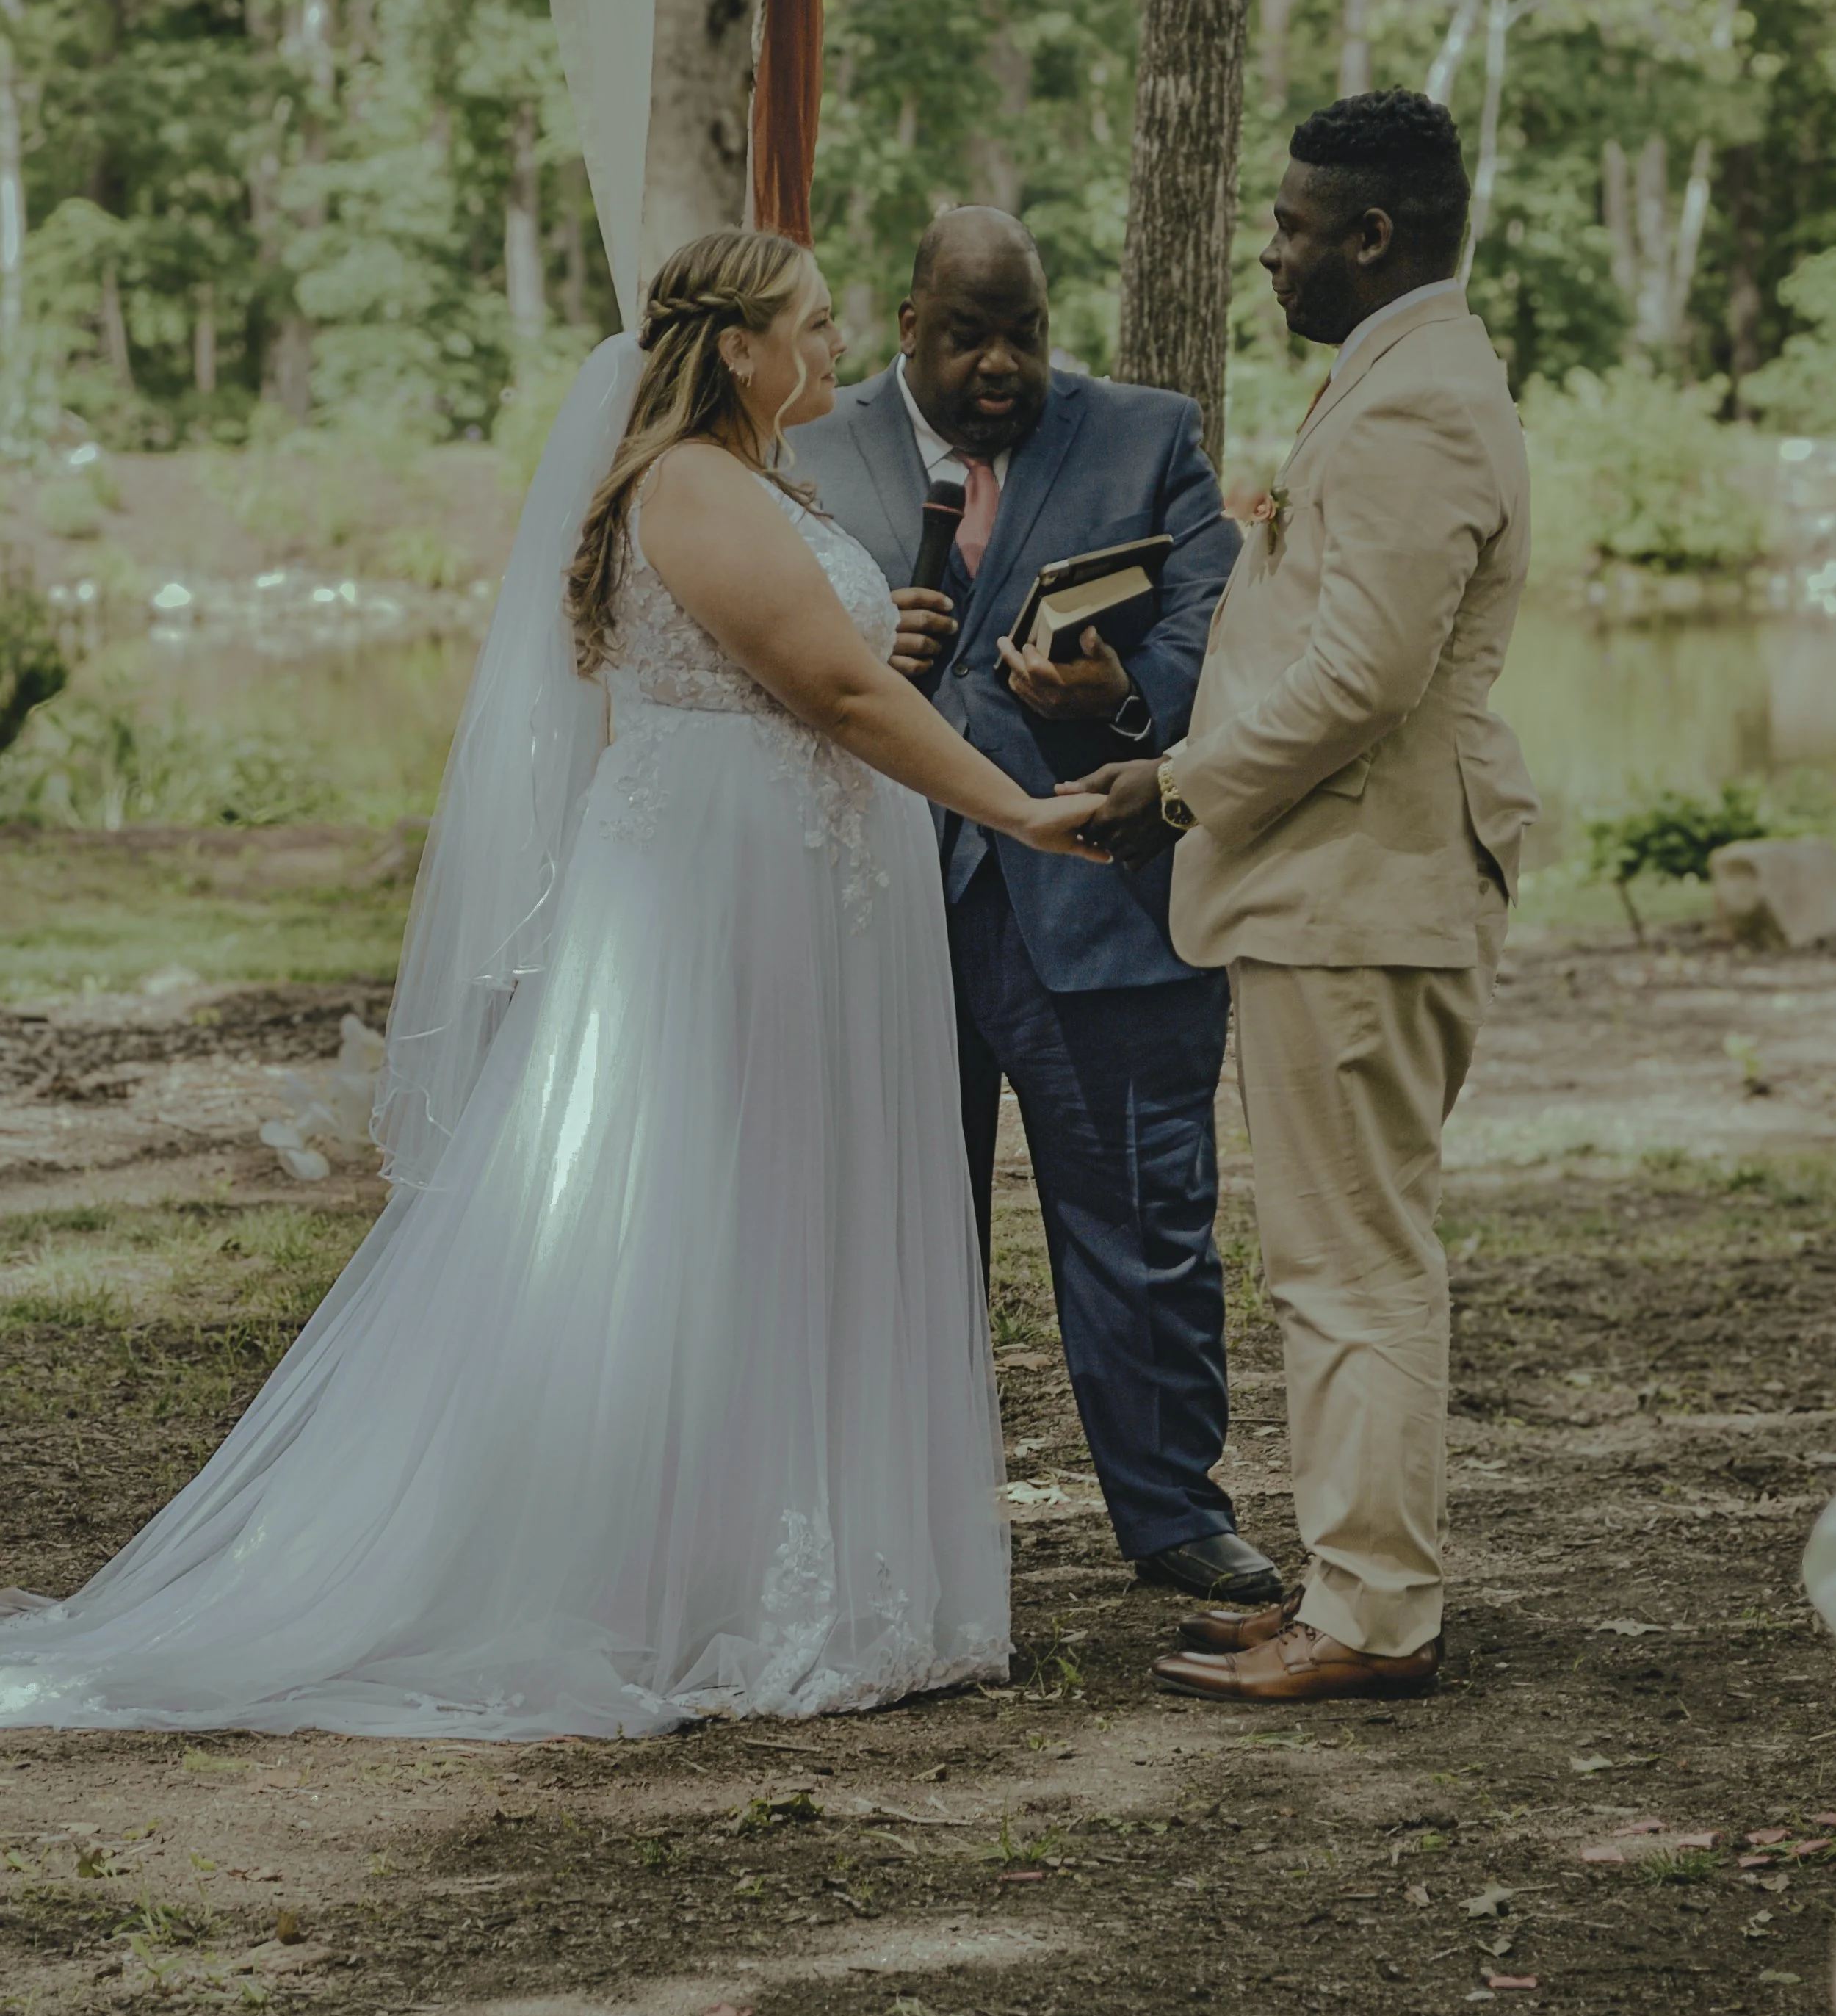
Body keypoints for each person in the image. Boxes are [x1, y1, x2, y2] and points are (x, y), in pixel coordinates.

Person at [0, 229, 1108, 1738]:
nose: (834, 351)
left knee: (774, 1204)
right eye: (812, 325)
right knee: (708, 1209)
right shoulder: (695, 485)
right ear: (737, 347)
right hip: (728, 894)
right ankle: (689, 1582)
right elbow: (836, 691)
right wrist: (1023, 808)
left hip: (784, 878)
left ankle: (780, 1558)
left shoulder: (747, 477)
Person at [1071, 92, 1540, 1700]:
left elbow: (1362, 670)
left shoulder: (1420, 405)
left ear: (1369, 236)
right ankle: (1349, 1580)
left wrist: (1178, 780)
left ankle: (1372, 1615)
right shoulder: (1398, 376)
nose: (1266, 255)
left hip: (1362, 885)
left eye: (1287, 228)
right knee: (1333, 1256)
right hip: (1336, 884)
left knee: (1353, 1261)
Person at [795, 206, 1282, 1608]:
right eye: (969, 334)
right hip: (877, 906)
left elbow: (1211, 620)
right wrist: (854, 642)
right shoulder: (804, 454)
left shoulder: (1147, 433)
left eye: (1024, 332)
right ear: (907, 326)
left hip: (1099, 898)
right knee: (885, 1229)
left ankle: (1174, 1512)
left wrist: (1123, 704)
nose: (1001, 362)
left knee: (1146, 1222)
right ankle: (902, 1517)